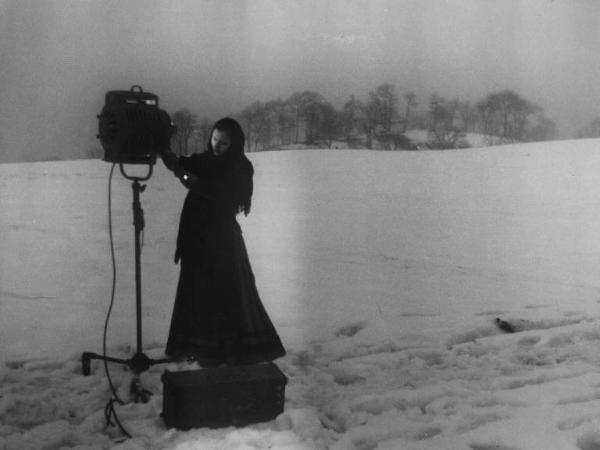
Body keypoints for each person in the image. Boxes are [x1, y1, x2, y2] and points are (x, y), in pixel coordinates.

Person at [159, 117, 286, 366]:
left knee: (224, 296)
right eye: (215, 139)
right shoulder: (205, 160)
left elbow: (227, 198)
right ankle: (197, 347)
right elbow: (180, 165)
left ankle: (222, 352)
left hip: (222, 241)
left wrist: (194, 183)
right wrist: (163, 146)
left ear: (235, 144)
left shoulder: (240, 167)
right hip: (197, 236)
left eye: (223, 143)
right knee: (196, 293)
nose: (216, 145)